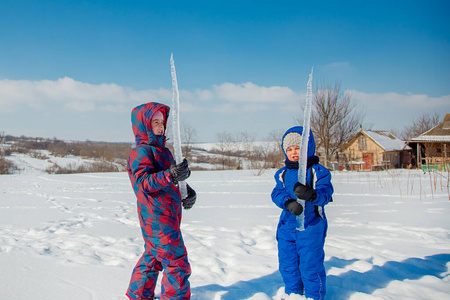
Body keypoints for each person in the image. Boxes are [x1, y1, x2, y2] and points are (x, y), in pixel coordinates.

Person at [126, 102, 197, 300]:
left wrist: (187, 192)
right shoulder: (141, 152)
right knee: (176, 261)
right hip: (156, 217)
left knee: (153, 257)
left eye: (162, 122)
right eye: (154, 122)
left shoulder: (163, 152)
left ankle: (138, 294)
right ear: (144, 126)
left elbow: (169, 182)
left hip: (167, 215)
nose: (160, 126)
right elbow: (144, 183)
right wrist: (170, 174)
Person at [271, 126, 333, 300]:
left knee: (310, 265)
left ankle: (314, 296)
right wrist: (287, 202)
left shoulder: (317, 171)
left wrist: (311, 195)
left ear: (308, 147)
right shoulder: (282, 174)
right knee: (288, 264)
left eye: (298, 148)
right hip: (286, 227)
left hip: (310, 226)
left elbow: (326, 194)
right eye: (289, 149)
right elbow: (276, 193)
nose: (294, 152)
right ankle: (293, 294)